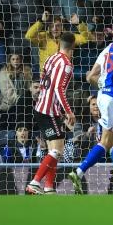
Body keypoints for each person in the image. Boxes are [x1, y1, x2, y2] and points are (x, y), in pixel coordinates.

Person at [68, 20, 113, 193]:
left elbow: (90, 76)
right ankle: (79, 172)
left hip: (104, 96)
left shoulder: (107, 49)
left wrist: (104, 87)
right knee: (106, 141)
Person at [26, 33, 77, 194]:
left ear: (58, 44)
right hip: (49, 112)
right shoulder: (67, 64)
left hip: (40, 108)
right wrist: (68, 111)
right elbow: (58, 89)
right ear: (73, 46)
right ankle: (35, 182)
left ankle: (49, 187)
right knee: (57, 150)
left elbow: (43, 82)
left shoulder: (50, 58)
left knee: (53, 150)